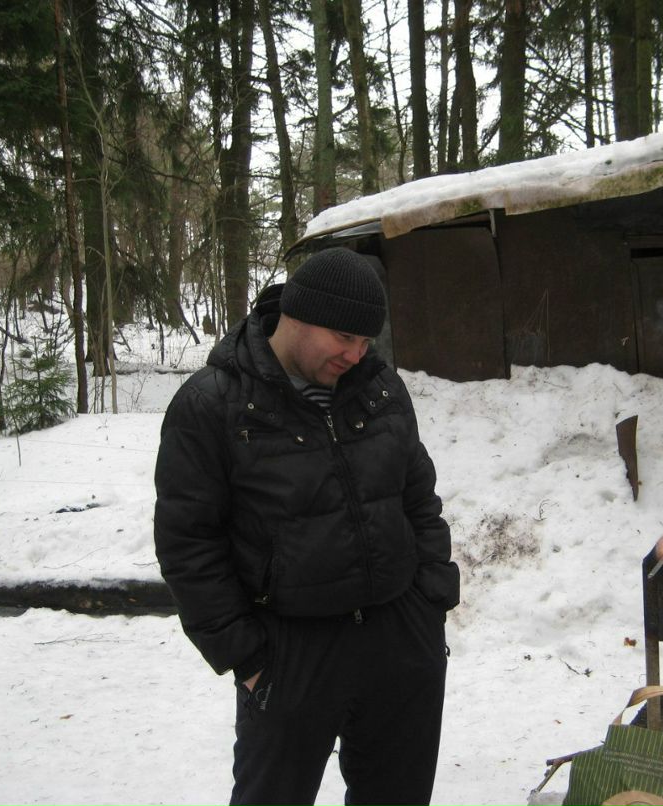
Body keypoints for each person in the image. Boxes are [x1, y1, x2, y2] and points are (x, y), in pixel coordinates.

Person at [153, 247, 460, 806]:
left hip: (399, 637)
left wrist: (431, 597)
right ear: (296, 316)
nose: (356, 354)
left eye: (366, 341)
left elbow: (418, 496)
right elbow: (188, 543)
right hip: (289, 652)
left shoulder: (380, 388)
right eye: (344, 337)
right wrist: (246, 658)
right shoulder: (212, 405)